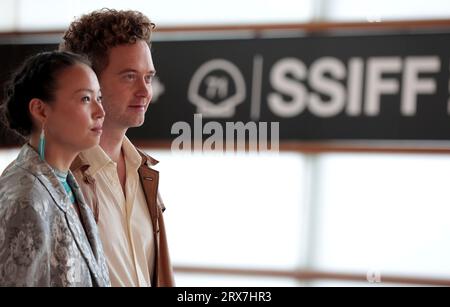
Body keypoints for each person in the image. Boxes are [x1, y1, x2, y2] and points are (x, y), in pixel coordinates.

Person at [60, 9, 174, 287]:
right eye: (129, 77)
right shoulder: (57, 177)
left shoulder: (144, 173)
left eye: (148, 77)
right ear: (87, 82)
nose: (146, 91)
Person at [0, 51, 110, 287]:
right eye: (85, 99)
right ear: (41, 110)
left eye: (99, 98)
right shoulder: (25, 198)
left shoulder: (70, 183)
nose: (100, 111)